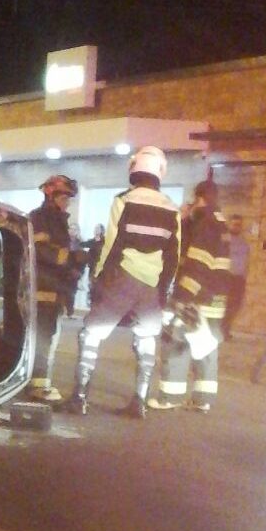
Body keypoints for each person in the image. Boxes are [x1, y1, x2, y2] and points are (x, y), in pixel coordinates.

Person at [61, 146, 181, 419]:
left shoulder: (124, 200)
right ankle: (139, 402)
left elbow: (112, 243)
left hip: (123, 278)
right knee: (146, 339)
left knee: (90, 334)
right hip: (152, 286)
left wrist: (99, 278)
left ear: (135, 168)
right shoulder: (172, 209)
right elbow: (174, 254)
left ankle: (79, 399)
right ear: (159, 172)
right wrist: (163, 290)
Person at [148, 180, 230, 412]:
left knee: (175, 342)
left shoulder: (206, 224)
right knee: (206, 347)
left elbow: (197, 262)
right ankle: (203, 399)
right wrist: (185, 221)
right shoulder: (219, 222)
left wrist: (181, 297)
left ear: (200, 198)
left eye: (193, 200)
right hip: (214, 299)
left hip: (196, 298)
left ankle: (169, 397)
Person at [28, 174, 84, 403]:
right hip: (44, 288)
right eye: (64, 197)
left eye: (69, 198)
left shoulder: (60, 220)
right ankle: (38, 386)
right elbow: (40, 250)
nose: (67, 202)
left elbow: (63, 251)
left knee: (48, 336)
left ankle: (38, 382)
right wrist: (71, 258)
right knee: (43, 338)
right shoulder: (40, 218)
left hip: (56, 288)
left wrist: (76, 265)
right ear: (50, 195)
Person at [222, 214, 249, 338]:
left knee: (235, 305)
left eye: (239, 225)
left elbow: (246, 261)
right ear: (230, 224)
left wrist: (244, 277)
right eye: (234, 224)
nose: (237, 227)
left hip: (239, 279)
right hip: (226, 278)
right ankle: (221, 330)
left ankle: (226, 329)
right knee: (225, 305)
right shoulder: (223, 240)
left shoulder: (244, 243)